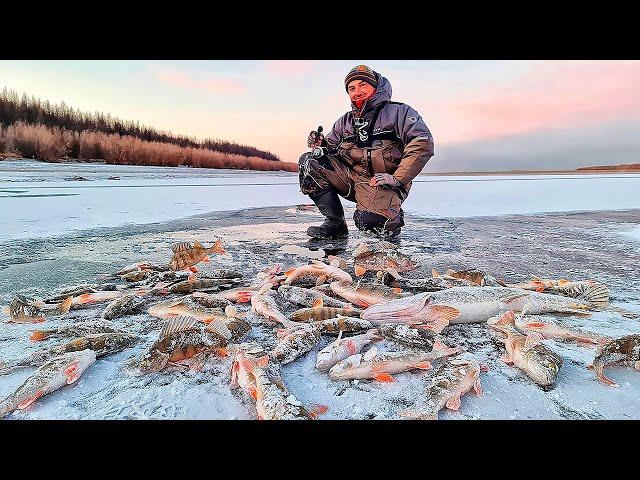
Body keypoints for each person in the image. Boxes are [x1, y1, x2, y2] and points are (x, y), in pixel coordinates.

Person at [298, 64, 434, 239]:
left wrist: (398, 178)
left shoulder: (399, 112)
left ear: (376, 87)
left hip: (384, 183)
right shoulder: (345, 121)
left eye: (363, 85)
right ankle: (335, 223)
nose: (357, 92)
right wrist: (320, 143)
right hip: (353, 179)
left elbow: (423, 143)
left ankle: (389, 216)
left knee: (371, 224)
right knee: (309, 162)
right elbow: (330, 150)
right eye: (351, 88)